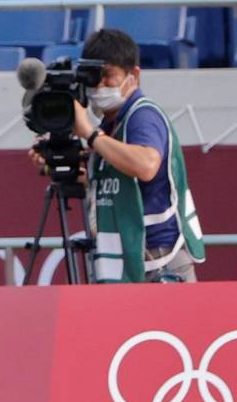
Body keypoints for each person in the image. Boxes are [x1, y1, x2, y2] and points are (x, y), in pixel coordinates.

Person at [64, 29, 204, 282]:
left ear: (134, 75)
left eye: (108, 76)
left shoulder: (142, 116)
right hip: (132, 261)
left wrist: (91, 134)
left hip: (158, 263)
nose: (100, 86)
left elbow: (147, 165)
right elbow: (117, 185)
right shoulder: (111, 125)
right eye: (94, 78)